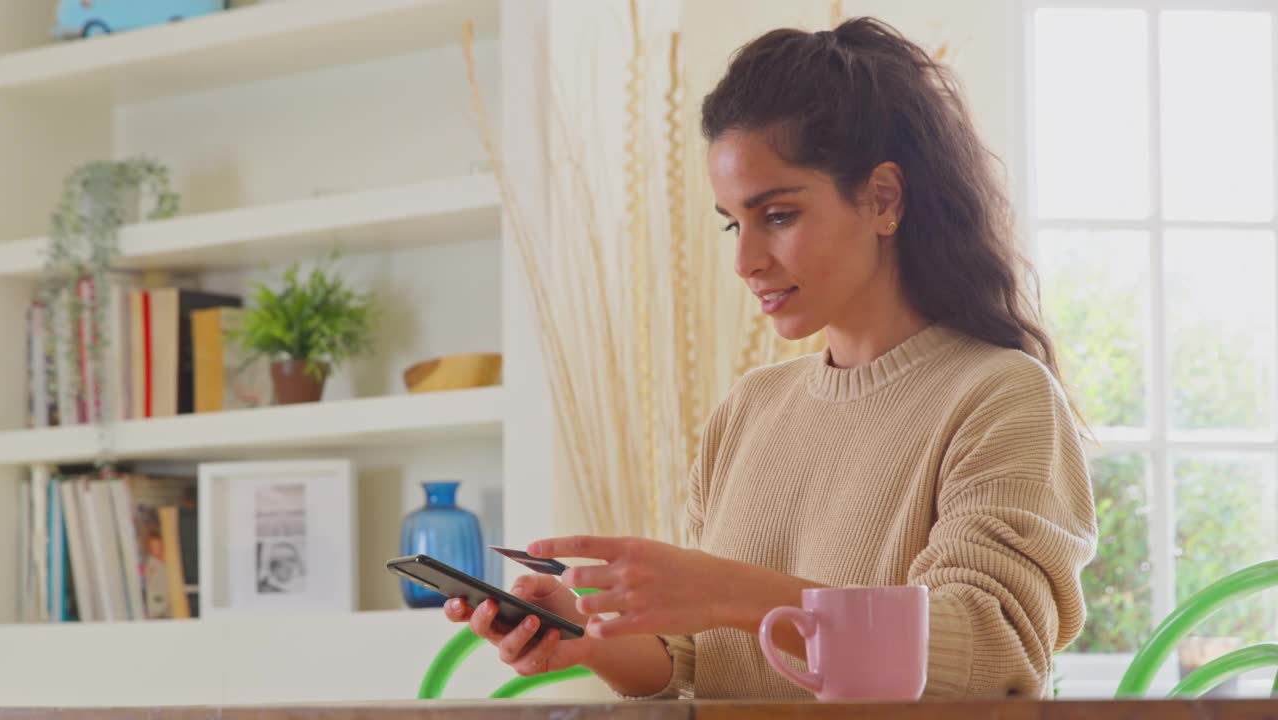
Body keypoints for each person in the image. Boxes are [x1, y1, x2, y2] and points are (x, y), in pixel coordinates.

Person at [445, 17, 1097, 699]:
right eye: (733, 221)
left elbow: (992, 653)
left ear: (882, 199)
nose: (745, 261)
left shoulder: (1001, 396)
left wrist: (729, 591)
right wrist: (588, 637)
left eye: (777, 215)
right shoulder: (750, 409)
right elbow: (702, 667)